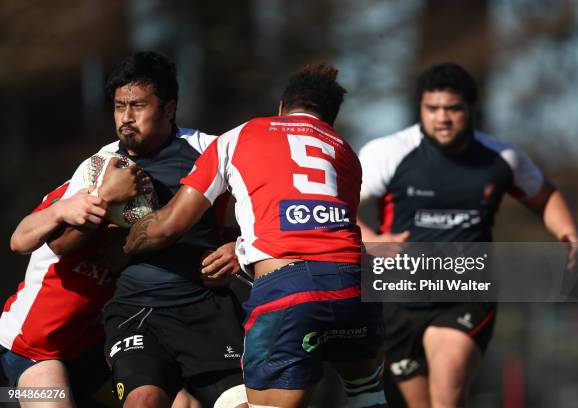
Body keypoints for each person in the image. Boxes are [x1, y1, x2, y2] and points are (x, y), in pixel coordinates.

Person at [122, 63, 388, 408]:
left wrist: (125, 243)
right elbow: (323, 230)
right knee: (366, 391)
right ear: (329, 119)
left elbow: (168, 226)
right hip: (357, 288)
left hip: (290, 293)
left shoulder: (241, 135)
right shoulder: (345, 152)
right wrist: (243, 246)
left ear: (281, 108)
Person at [357, 63, 578, 408]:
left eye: (453, 109)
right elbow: (336, 206)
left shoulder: (501, 158)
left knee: (447, 395)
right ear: (421, 107)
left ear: (472, 108)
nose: (442, 118)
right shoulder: (388, 152)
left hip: (466, 291)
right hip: (400, 299)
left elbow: (545, 195)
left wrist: (567, 231)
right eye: (432, 109)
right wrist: (371, 238)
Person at [52, 51, 246, 408]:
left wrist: (240, 249)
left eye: (137, 106)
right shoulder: (99, 165)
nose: (126, 118)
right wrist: (101, 209)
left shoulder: (212, 149)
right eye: (118, 106)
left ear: (169, 108)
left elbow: (262, 211)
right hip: (135, 311)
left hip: (206, 310)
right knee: (143, 401)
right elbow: (60, 243)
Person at [1, 165, 145, 408]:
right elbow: (18, 241)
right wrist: (61, 210)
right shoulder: (82, 188)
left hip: (94, 352)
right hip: (32, 351)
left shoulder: (154, 205)